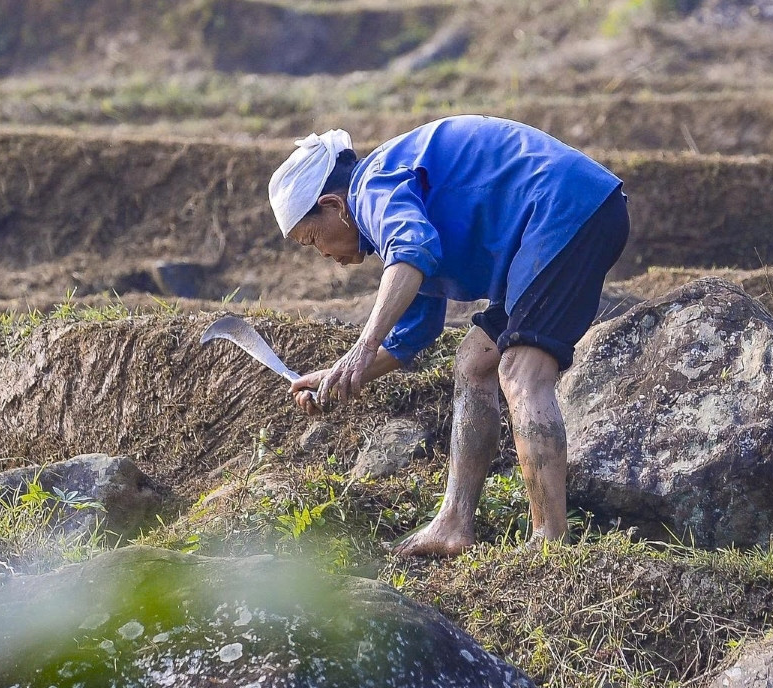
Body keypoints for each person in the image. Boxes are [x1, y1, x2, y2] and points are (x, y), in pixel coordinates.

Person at [268, 116, 628, 556]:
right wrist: (338, 376)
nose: (323, 253)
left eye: (312, 239)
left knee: (520, 372)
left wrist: (360, 349)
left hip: (567, 211)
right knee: (475, 364)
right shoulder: (390, 213)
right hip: (562, 217)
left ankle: (549, 545)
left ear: (333, 206)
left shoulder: (372, 189)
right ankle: (454, 523)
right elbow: (412, 333)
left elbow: (411, 253)